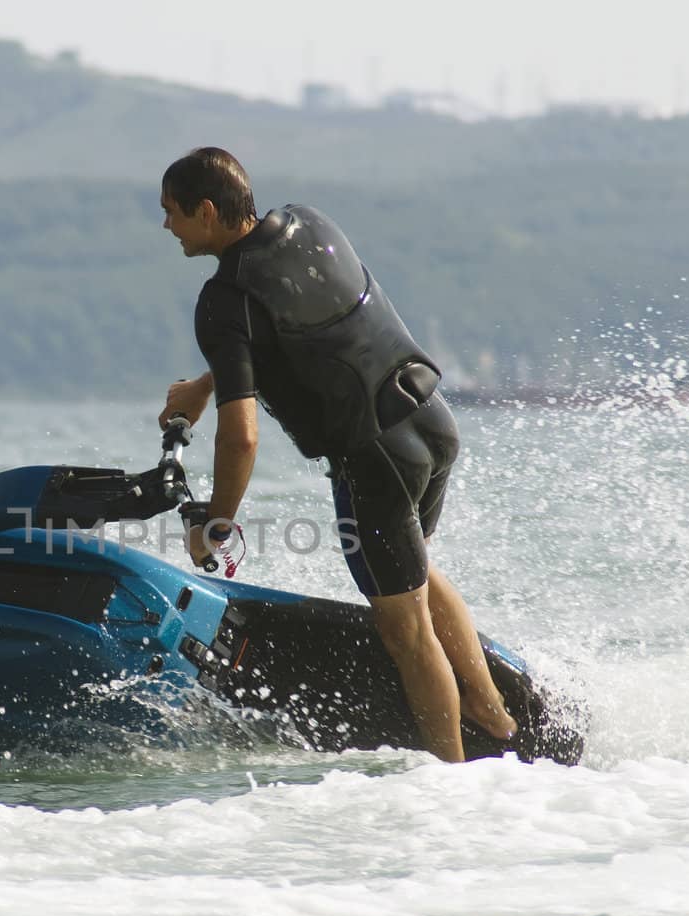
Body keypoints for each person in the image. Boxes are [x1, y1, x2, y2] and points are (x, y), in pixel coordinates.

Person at [155, 147, 516, 762]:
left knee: (405, 630)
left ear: (207, 212)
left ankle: (453, 783)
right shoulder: (306, 224)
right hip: (428, 422)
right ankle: (495, 717)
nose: (167, 227)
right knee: (414, 572)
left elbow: (241, 437)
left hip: (373, 461)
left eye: (172, 214)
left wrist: (215, 522)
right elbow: (301, 331)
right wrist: (205, 382)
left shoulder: (222, 300)